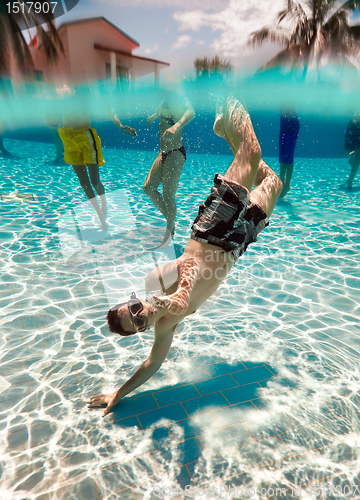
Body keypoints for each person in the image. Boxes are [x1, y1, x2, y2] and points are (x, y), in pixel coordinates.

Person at [87, 97, 282, 417]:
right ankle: (226, 132)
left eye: (133, 308)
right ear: (142, 329)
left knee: (253, 153)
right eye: (137, 322)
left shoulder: (155, 281)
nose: (140, 314)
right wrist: (118, 393)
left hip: (212, 230)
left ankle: (228, 98)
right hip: (235, 245)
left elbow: (187, 264)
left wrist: (178, 295)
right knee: (272, 182)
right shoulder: (165, 326)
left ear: (133, 299)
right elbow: (151, 364)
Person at [56, 84, 137, 230]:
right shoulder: (62, 91)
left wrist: (121, 126)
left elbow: (108, 110)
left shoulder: (86, 93)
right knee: (84, 183)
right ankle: (100, 217)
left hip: (85, 137)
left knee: (94, 180)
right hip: (67, 138)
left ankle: (103, 201)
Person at [143, 93, 195, 241]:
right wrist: (153, 116)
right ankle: (171, 222)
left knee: (168, 196)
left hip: (175, 154)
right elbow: (164, 113)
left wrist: (176, 126)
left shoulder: (179, 96)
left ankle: (169, 233)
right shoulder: (164, 97)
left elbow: (191, 112)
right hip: (164, 153)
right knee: (148, 188)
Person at [278, 105, 300, 198]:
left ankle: (287, 185)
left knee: (288, 156)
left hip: (292, 127)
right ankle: (282, 182)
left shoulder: (289, 98)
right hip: (284, 125)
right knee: (282, 155)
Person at [344, 112, 360, 190]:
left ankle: (351, 154)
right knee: (358, 155)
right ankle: (350, 180)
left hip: (352, 125)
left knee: (350, 149)